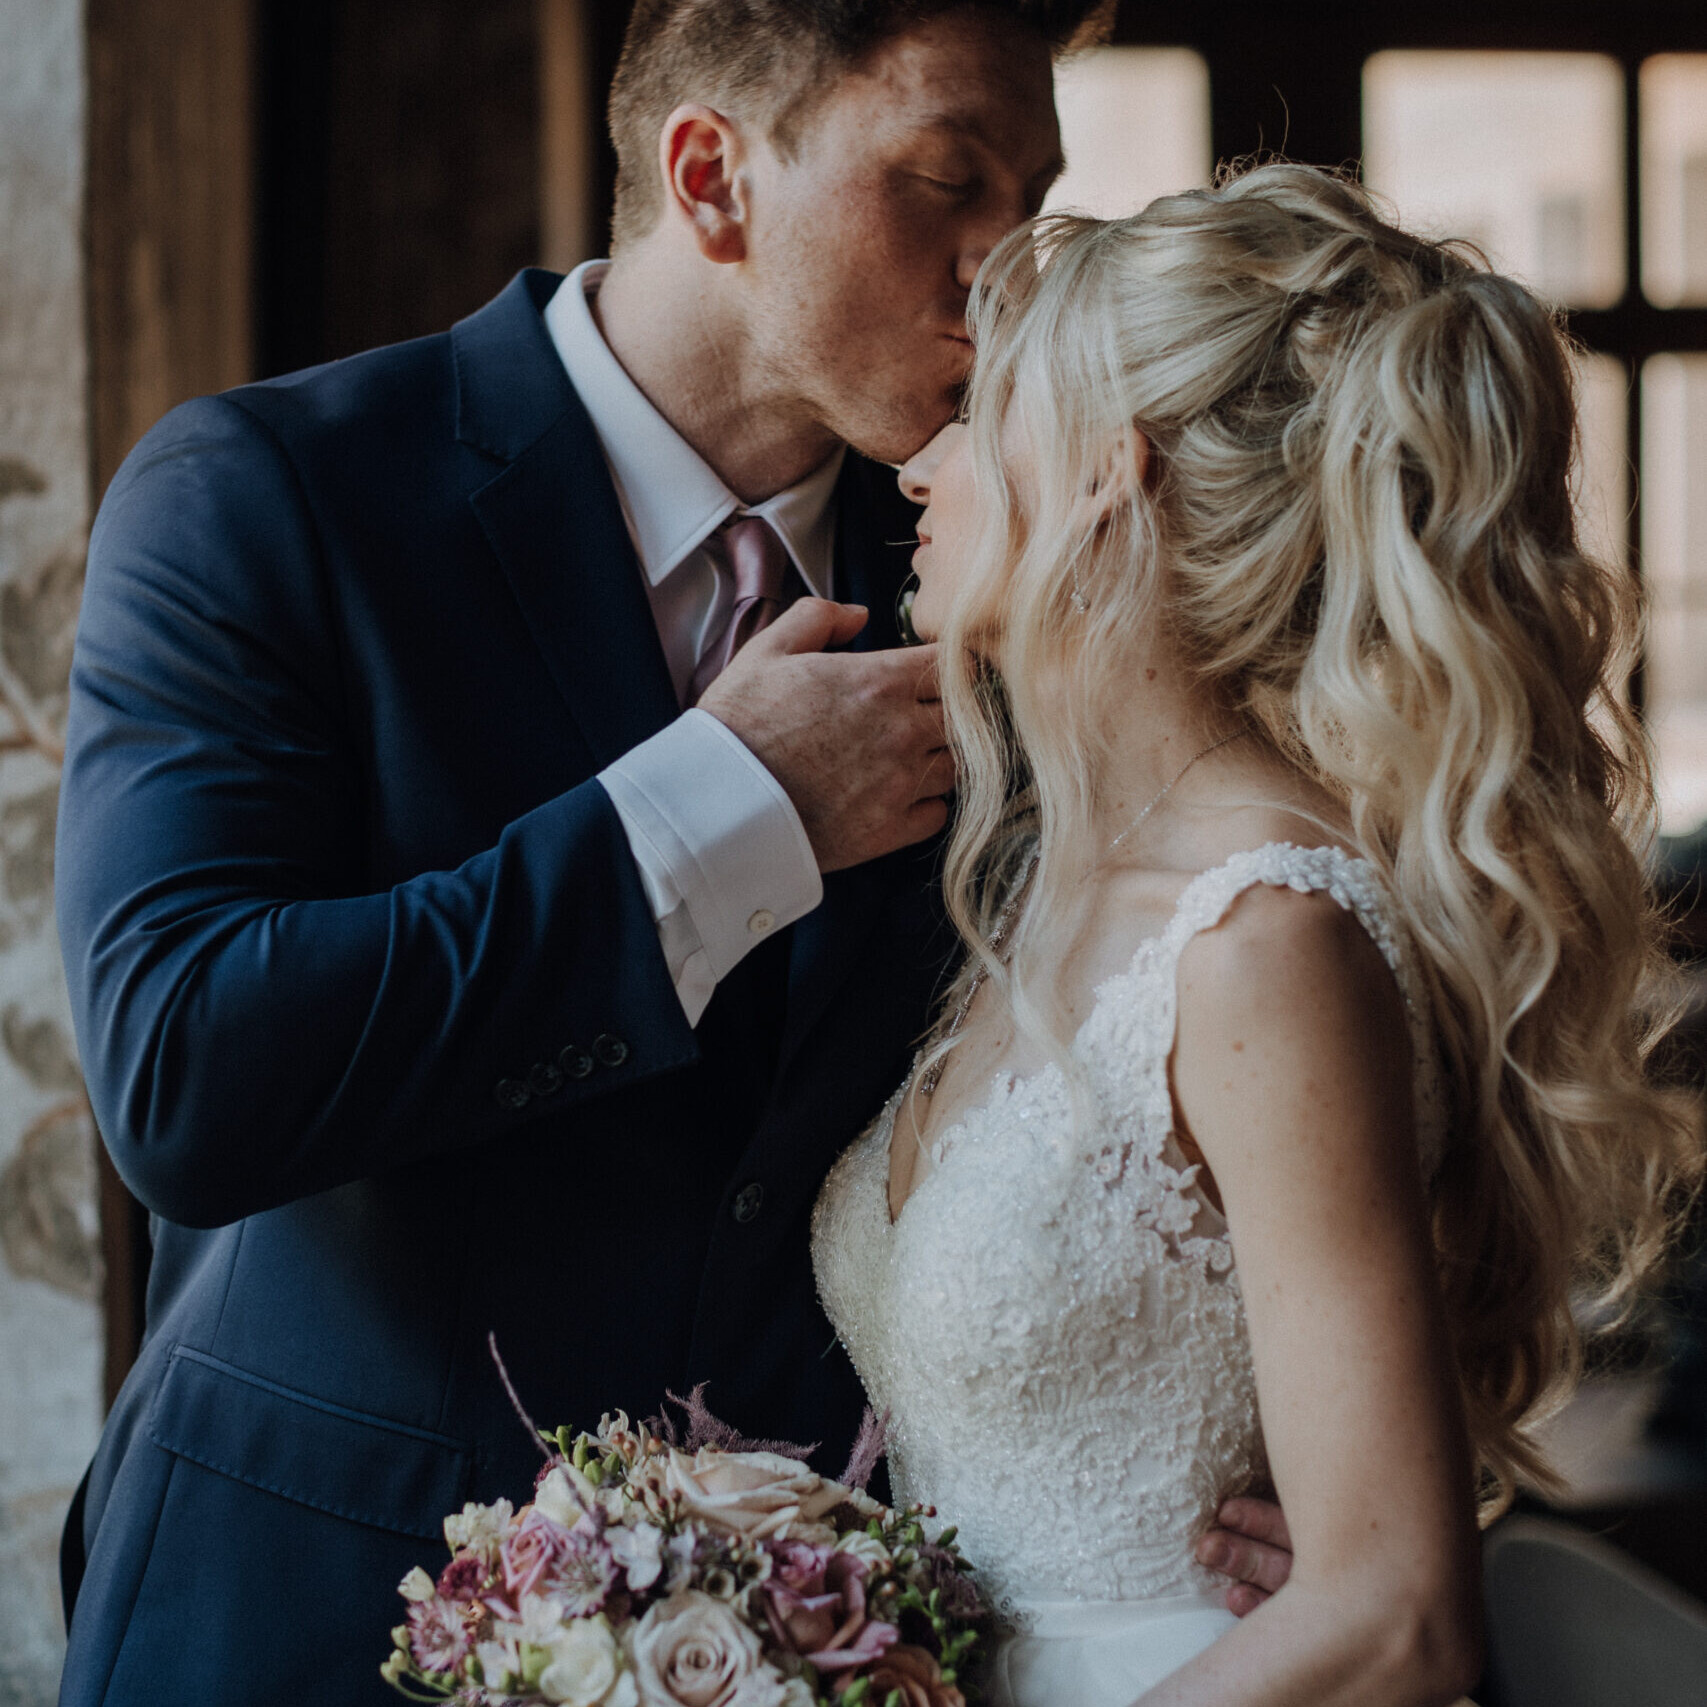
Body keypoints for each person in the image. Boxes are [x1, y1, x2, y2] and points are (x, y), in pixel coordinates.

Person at [53, 5, 1289, 1701]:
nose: (1006, 269)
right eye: (946, 180)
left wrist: (1252, 1429)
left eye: (1036, 196)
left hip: (841, 1641)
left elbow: (1196, 1017)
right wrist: (722, 820)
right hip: (308, 1612)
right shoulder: (266, 498)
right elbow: (186, 1074)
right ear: (712, 179)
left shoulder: (1012, 573)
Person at [812, 163, 1704, 1705]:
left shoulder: (1261, 941)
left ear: (1107, 473)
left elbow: (1395, 1615)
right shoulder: (1036, 892)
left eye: (986, 412)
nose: (922, 464)